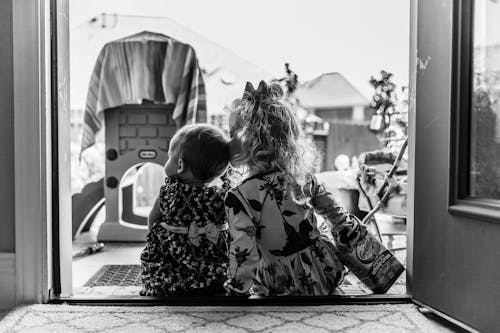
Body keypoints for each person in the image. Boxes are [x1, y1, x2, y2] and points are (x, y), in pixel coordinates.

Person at [224, 81, 369, 296]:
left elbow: (244, 251)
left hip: (279, 281)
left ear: (247, 141)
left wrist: (237, 290)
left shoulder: (240, 196)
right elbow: (336, 215)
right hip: (323, 269)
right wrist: (353, 240)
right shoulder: (302, 179)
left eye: (231, 134)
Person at [140, 124, 231, 296]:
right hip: (210, 267)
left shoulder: (169, 193)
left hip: (170, 266)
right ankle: (208, 284)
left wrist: (155, 244)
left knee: (160, 269)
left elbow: (153, 220)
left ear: (180, 165)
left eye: (169, 157)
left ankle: (169, 284)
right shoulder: (221, 196)